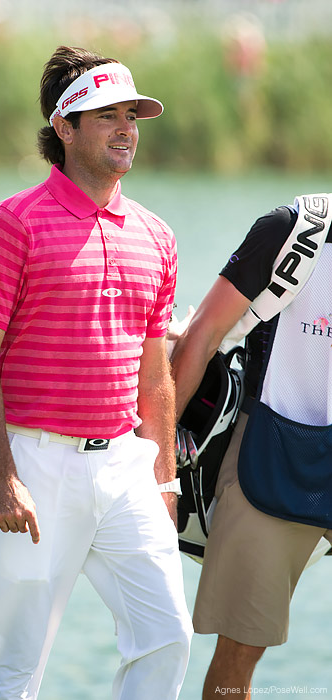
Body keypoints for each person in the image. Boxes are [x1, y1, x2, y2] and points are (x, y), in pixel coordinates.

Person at [0, 45, 192, 700]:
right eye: (105, 115)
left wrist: (164, 483)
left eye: (131, 116)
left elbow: (154, 374)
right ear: (63, 127)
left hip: (123, 466)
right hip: (33, 464)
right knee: (13, 662)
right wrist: (4, 478)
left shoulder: (156, 236)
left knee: (167, 633)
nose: (124, 129)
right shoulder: (13, 223)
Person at [170, 193, 332, 699]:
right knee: (241, 650)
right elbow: (203, 334)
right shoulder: (297, 227)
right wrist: (155, 463)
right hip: (274, 456)